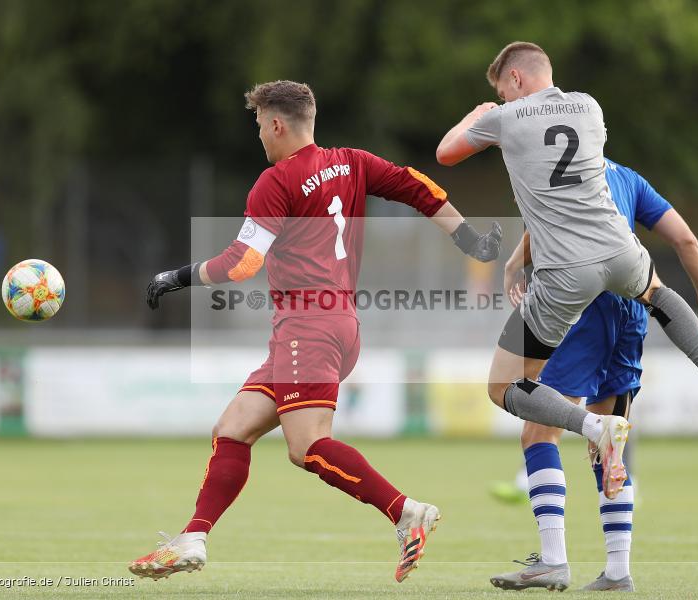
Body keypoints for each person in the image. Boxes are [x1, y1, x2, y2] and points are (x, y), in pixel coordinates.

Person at [128, 80, 502, 583]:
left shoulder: (275, 182)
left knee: (307, 447)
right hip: (335, 323)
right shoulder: (353, 162)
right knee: (234, 428)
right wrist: (470, 240)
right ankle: (193, 537)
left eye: (260, 125)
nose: (260, 136)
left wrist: (177, 277)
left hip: (308, 326)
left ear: (278, 124)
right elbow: (418, 186)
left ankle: (406, 510)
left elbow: (242, 264)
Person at [436, 41, 698, 584]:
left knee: (509, 391)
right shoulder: (590, 108)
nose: (498, 99)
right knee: (659, 295)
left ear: (515, 80)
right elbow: (586, 190)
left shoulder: (506, 116)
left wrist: (480, 115)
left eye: (501, 89)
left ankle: (591, 439)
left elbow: (447, 153)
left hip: (569, 278)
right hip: (620, 255)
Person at [489, 158, 698, 592]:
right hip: (633, 304)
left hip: (582, 303)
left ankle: (553, 561)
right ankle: (617, 571)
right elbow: (686, 239)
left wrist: (511, 264)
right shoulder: (631, 179)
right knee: (609, 449)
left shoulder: (554, 167)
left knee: (539, 433)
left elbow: (548, 225)